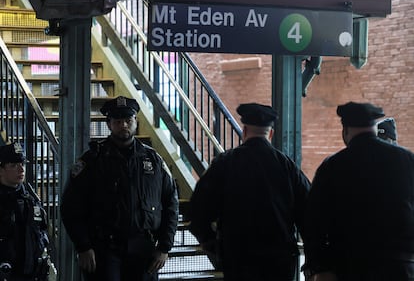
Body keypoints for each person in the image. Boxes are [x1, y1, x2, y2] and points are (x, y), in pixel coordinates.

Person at [60, 96, 179, 281]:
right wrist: (83, 246)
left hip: (144, 248)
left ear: (135, 122)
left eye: (128, 120)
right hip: (104, 249)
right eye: (117, 121)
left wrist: (164, 247)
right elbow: (70, 206)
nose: (123, 125)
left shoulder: (153, 160)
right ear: (109, 124)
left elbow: (171, 203)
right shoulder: (92, 161)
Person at [189, 102, 311, 281]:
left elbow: (198, 210)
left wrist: (213, 244)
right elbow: (310, 213)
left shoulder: (225, 163)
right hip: (279, 261)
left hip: (239, 259)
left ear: (244, 131)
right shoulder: (287, 166)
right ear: (270, 133)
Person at [303, 102, 414, 281]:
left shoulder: (332, 166)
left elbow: (313, 222)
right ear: (375, 128)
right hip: (399, 268)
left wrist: (319, 267)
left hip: (349, 267)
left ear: (345, 130)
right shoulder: (407, 160)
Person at [0, 142, 51, 281]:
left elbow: (42, 232)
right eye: (14, 165)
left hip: (30, 274)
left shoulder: (30, 199)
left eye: (22, 164)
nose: (21, 169)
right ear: (1, 170)